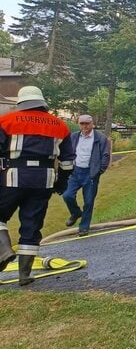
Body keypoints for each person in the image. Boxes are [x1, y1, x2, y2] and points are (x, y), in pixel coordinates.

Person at [0, 86, 75, 285]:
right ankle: (24, 275)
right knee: (31, 225)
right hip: (44, 181)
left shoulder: (6, 121)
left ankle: (5, 250)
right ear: (42, 102)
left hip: (12, 178)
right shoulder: (60, 125)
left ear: (21, 103)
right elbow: (68, 162)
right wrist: (61, 182)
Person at [63, 114, 111, 237]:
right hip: (75, 172)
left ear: (92, 124)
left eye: (87, 124)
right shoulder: (74, 137)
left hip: (90, 173)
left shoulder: (100, 138)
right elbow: (67, 151)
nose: (84, 126)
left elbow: (105, 155)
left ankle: (84, 227)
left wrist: (99, 171)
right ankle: (76, 213)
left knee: (89, 201)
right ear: (79, 124)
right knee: (67, 195)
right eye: (82, 124)